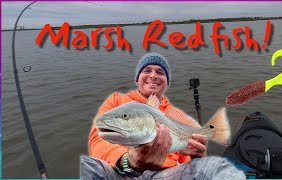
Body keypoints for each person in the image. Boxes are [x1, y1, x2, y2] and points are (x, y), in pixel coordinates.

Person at [81, 53, 245, 179]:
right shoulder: (117, 101)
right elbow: (97, 140)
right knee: (88, 166)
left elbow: (189, 165)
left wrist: (198, 156)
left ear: (166, 82)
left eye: (160, 72)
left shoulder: (182, 118)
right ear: (138, 79)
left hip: (165, 175)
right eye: (147, 71)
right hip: (120, 172)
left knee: (216, 168)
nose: (153, 75)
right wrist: (128, 162)